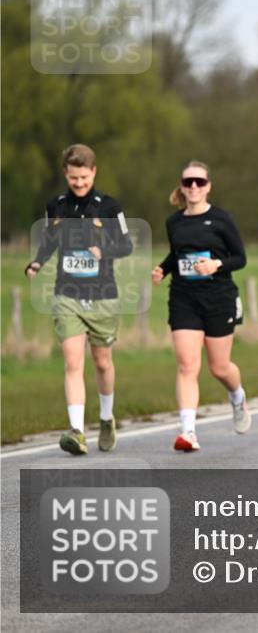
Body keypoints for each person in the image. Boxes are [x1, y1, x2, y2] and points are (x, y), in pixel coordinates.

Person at [25, 144, 133, 455]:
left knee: (102, 362)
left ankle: (106, 418)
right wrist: (37, 262)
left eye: (84, 178)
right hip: (67, 293)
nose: (79, 184)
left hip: (102, 295)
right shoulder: (55, 206)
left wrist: (104, 251)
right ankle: (77, 431)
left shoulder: (110, 207)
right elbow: (48, 242)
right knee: (73, 362)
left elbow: (126, 246)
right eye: (74, 178)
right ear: (66, 174)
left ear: (94, 172)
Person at [152, 161, 251, 452]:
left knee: (219, 367)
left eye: (199, 182)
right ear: (182, 187)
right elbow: (177, 254)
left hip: (219, 297)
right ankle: (188, 432)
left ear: (208, 186)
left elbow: (240, 258)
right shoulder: (174, 222)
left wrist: (216, 264)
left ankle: (237, 397)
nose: (193, 187)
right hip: (184, 298)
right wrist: (163, 269)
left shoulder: (222, 219)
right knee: (187, 365)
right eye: (188, 182)